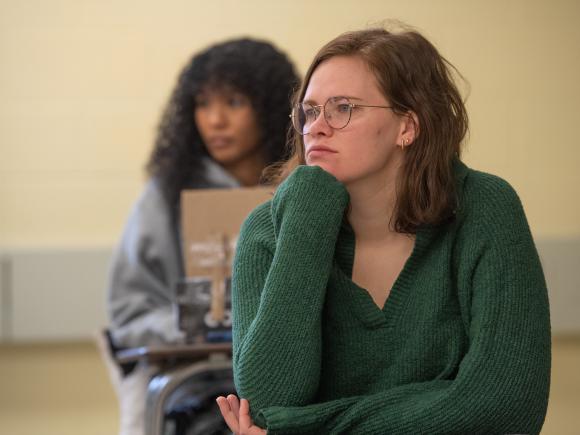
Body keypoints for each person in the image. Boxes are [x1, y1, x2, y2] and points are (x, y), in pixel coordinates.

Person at [216, 27, 551, 434]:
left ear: (407, 126)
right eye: (309, 111)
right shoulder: (267, 231)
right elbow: (269, 403)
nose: (316, 128)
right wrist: (307, 205)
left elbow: (507, 405)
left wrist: (306, 428)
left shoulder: (483, 207)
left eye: (343, 108)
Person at [106, 38, 298, 435]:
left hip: (290, 371)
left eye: (234, 103)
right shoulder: (164, 198)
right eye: (203, 104)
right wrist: (199, 324)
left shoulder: (303, 190)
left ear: (270, 107)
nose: (215, 120)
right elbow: (128, 315)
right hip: (193, 379)